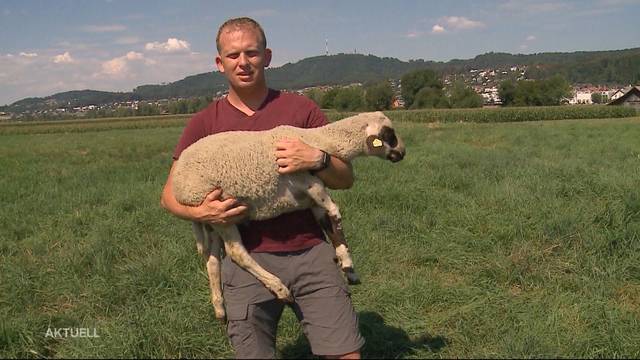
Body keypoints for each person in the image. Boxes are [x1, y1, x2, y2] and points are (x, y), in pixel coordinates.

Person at [160, 17, 364, 359]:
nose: (243, 62)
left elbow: (345, 179)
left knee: (346, 355)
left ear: (267, 56)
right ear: (219, 63)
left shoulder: (302, 109)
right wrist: (201, 212)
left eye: (252, 53)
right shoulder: (204, 123)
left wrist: (318, 158)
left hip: (310, 250)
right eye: (233, 55)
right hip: (245, 262)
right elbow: (168, 197)